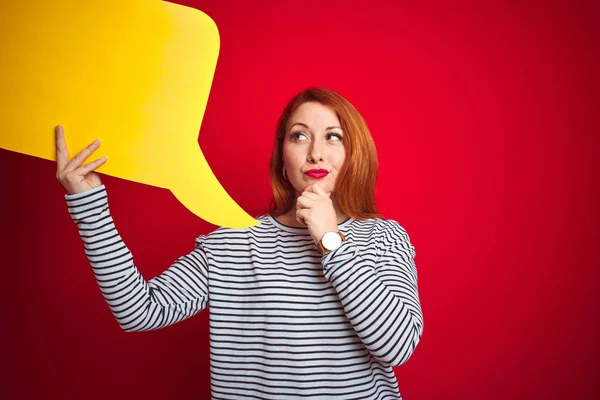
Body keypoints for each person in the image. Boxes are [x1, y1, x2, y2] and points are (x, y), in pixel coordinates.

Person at [56, 87, 424, 400]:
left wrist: (331, 241)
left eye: (333, 136)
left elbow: (396, 346)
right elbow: (140, 311)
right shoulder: (234, 242)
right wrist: (90, 205)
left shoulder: (384, 237)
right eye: (299, 135)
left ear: (353, 153)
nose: (315, 152)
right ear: (283, 156)